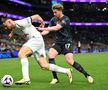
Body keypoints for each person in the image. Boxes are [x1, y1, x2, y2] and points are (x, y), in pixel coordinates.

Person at [3, 14, 72, 85]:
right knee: (44, 65)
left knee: (21, 54)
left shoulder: (22, 22)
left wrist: (42, 22)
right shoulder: (13, 28)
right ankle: (66, 71)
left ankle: (26, 78)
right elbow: (15, 28)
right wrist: (11, 33)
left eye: (7, 26)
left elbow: (36, 16)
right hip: (38, 42)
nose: (7, 28)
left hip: (35, 39)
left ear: (9, 21)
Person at [38, 4, 93, 84]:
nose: (54, 14)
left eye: (55, 12)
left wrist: (43, 28)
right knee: (50, 55)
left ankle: (87, 75)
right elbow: (48, 30)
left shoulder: (66, 19)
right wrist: (40, 34)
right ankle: (55, 78)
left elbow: (57, 28)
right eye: (53, 12)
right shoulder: (53, 19)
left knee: (70, 61)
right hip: (58, 42)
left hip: (67, 42)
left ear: (60, 11)